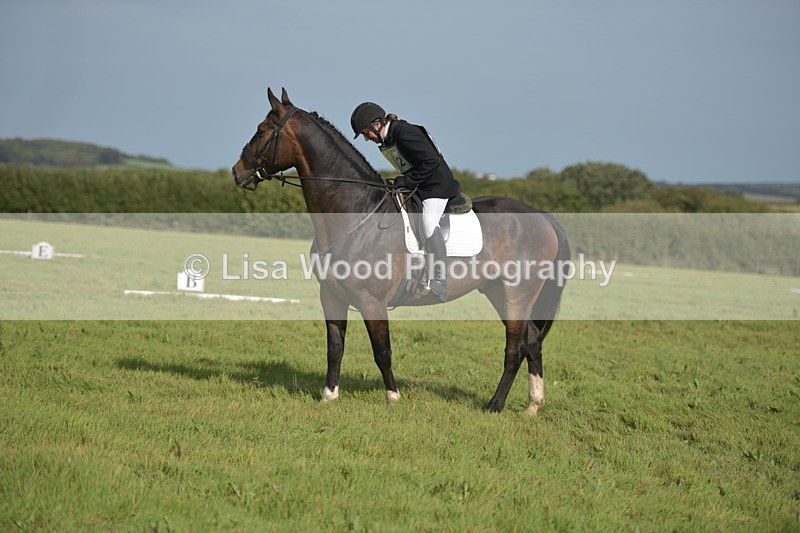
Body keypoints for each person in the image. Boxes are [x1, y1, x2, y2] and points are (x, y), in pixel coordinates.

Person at [351, 102, 461, 302]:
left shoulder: (404, 132)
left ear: (376, 124)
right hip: (420, 186)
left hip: (436, 185)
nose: (366, 138)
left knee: (428, 225)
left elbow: (431, 161)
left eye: (365, 132)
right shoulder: (389, 138)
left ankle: (439, 280)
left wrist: (407, 181)